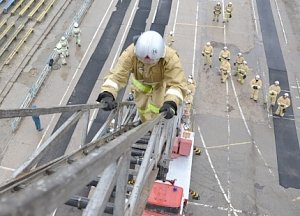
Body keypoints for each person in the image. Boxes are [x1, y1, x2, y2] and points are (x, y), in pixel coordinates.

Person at [96, 30, 188, 122]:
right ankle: (145, 123)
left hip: (160, 87)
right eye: (142, 60)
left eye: (152, 62)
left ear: (161, 55)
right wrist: (108, 93)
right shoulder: (130, 54)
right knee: (142, 108)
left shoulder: (170, 58)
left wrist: (171, 102)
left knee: (159, 107)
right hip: (141, 87)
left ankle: (156, 123)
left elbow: (176, 84)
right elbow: (117, 76)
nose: (147, 64)